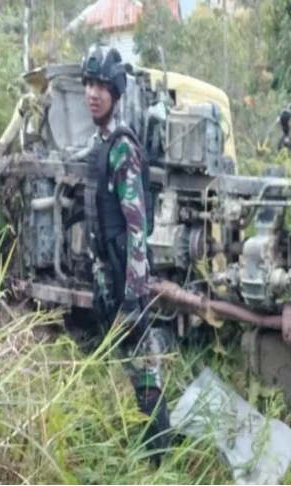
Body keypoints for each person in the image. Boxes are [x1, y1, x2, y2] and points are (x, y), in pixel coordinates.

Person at [80, 43, 170, 466]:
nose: (93, 93)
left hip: (128, 274)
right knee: (133, 365)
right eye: (88, 84)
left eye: (101, 85)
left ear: (115, 92)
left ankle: (161, 457)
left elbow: (138, 228)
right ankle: (148, 450)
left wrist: (134, 293)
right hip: (113, 272)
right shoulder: (100, 144)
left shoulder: (122, 147)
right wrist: (102, 280)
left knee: (145, 365)